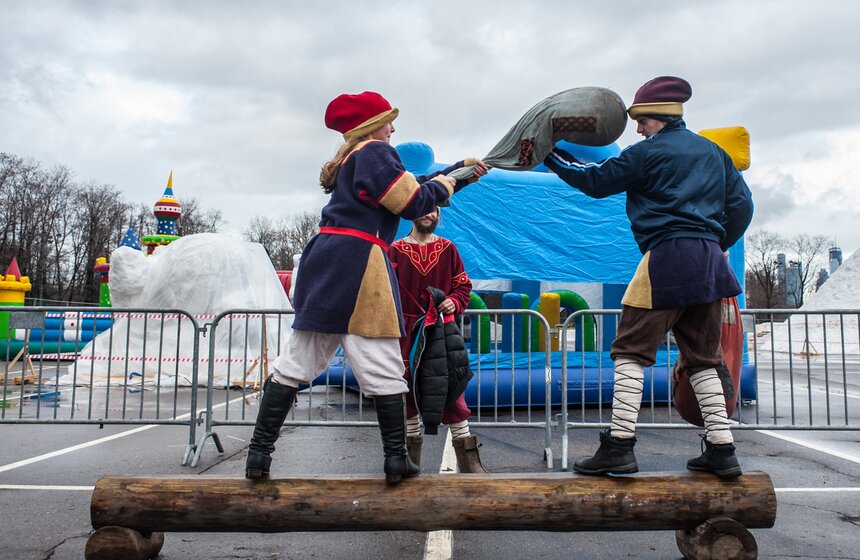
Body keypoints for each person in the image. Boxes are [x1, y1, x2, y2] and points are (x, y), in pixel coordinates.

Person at [245, 91, 488, 485]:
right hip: (360, 261)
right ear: (372, 125)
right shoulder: (376, 152)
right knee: (382, 365)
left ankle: (259, 455)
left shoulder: (355, 157)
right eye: (389, 120)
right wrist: (448, 181)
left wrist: (459, 171)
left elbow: (411, 188)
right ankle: (396, 460)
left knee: (297, 361)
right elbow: (411, 200)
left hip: (327, 260)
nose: (393, 128)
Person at [544, 76, 754, 479]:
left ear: (655, 119)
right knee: (704, 359)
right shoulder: (715, 153)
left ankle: (619, 445)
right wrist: (715, 240)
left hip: (666, 259)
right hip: (711, 262)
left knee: (630, 350)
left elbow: (593, 180)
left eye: (640, 121)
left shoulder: (646, 153)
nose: (637, 130)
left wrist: (551, 155)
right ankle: (722, 449)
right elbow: (742, 207)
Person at [388, 207, 490, 473]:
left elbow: (463, 287)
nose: (429, 215)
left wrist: (453, 301)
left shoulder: (448, 249)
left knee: (451, 390)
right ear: (412, 213)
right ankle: (410, 465)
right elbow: (385, 290)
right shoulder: (396, 250)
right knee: (407, 391)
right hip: (407, 331)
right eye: (423, 209)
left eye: (433, 211)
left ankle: (470, 466)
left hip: (441, 331)